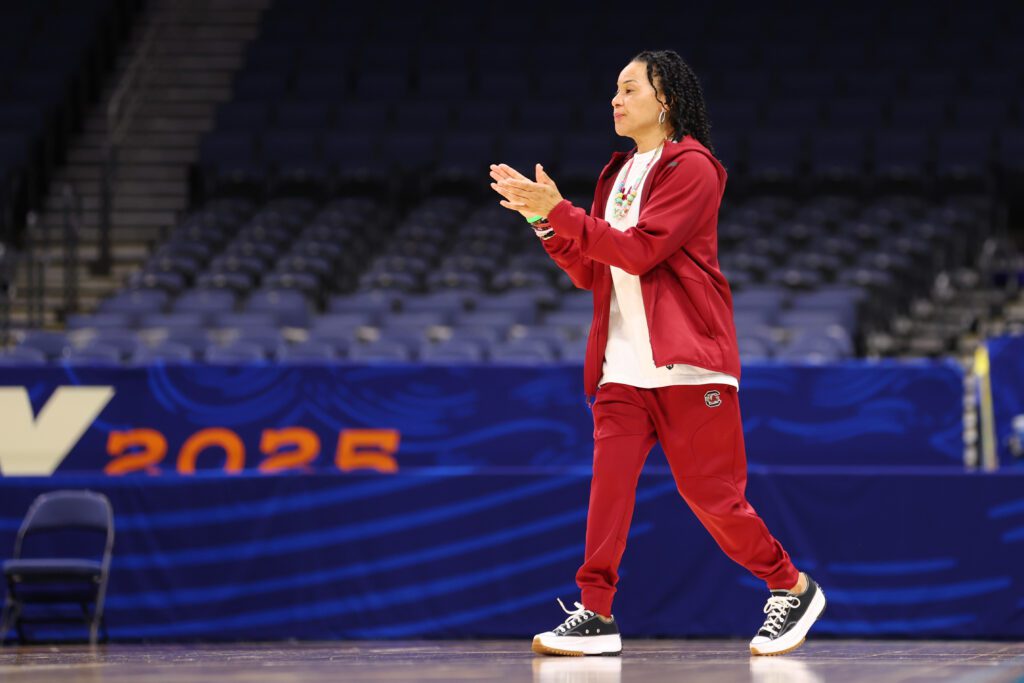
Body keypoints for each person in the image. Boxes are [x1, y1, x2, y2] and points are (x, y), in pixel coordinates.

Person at [488, 49, 826, 657]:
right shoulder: (616, 174)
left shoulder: (695, 167)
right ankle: (595, 612)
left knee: (712, 497)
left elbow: (642, 252)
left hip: (690, 363)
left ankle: (789, 586)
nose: (615, 100)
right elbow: (593, 271)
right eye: (613, 91)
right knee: (607, 491)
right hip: (622, 368)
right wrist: (546, 224)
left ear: (665, 99)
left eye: (628, 88)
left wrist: (559, 213)